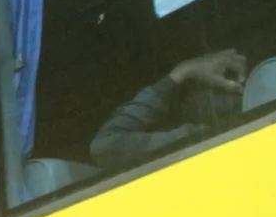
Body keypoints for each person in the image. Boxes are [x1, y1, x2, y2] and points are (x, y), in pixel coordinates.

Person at [91, 48, 246, 169]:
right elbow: (104, 147)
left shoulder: (193, 139)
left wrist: (182, 72)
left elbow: (104, 146)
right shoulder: (197, 136)